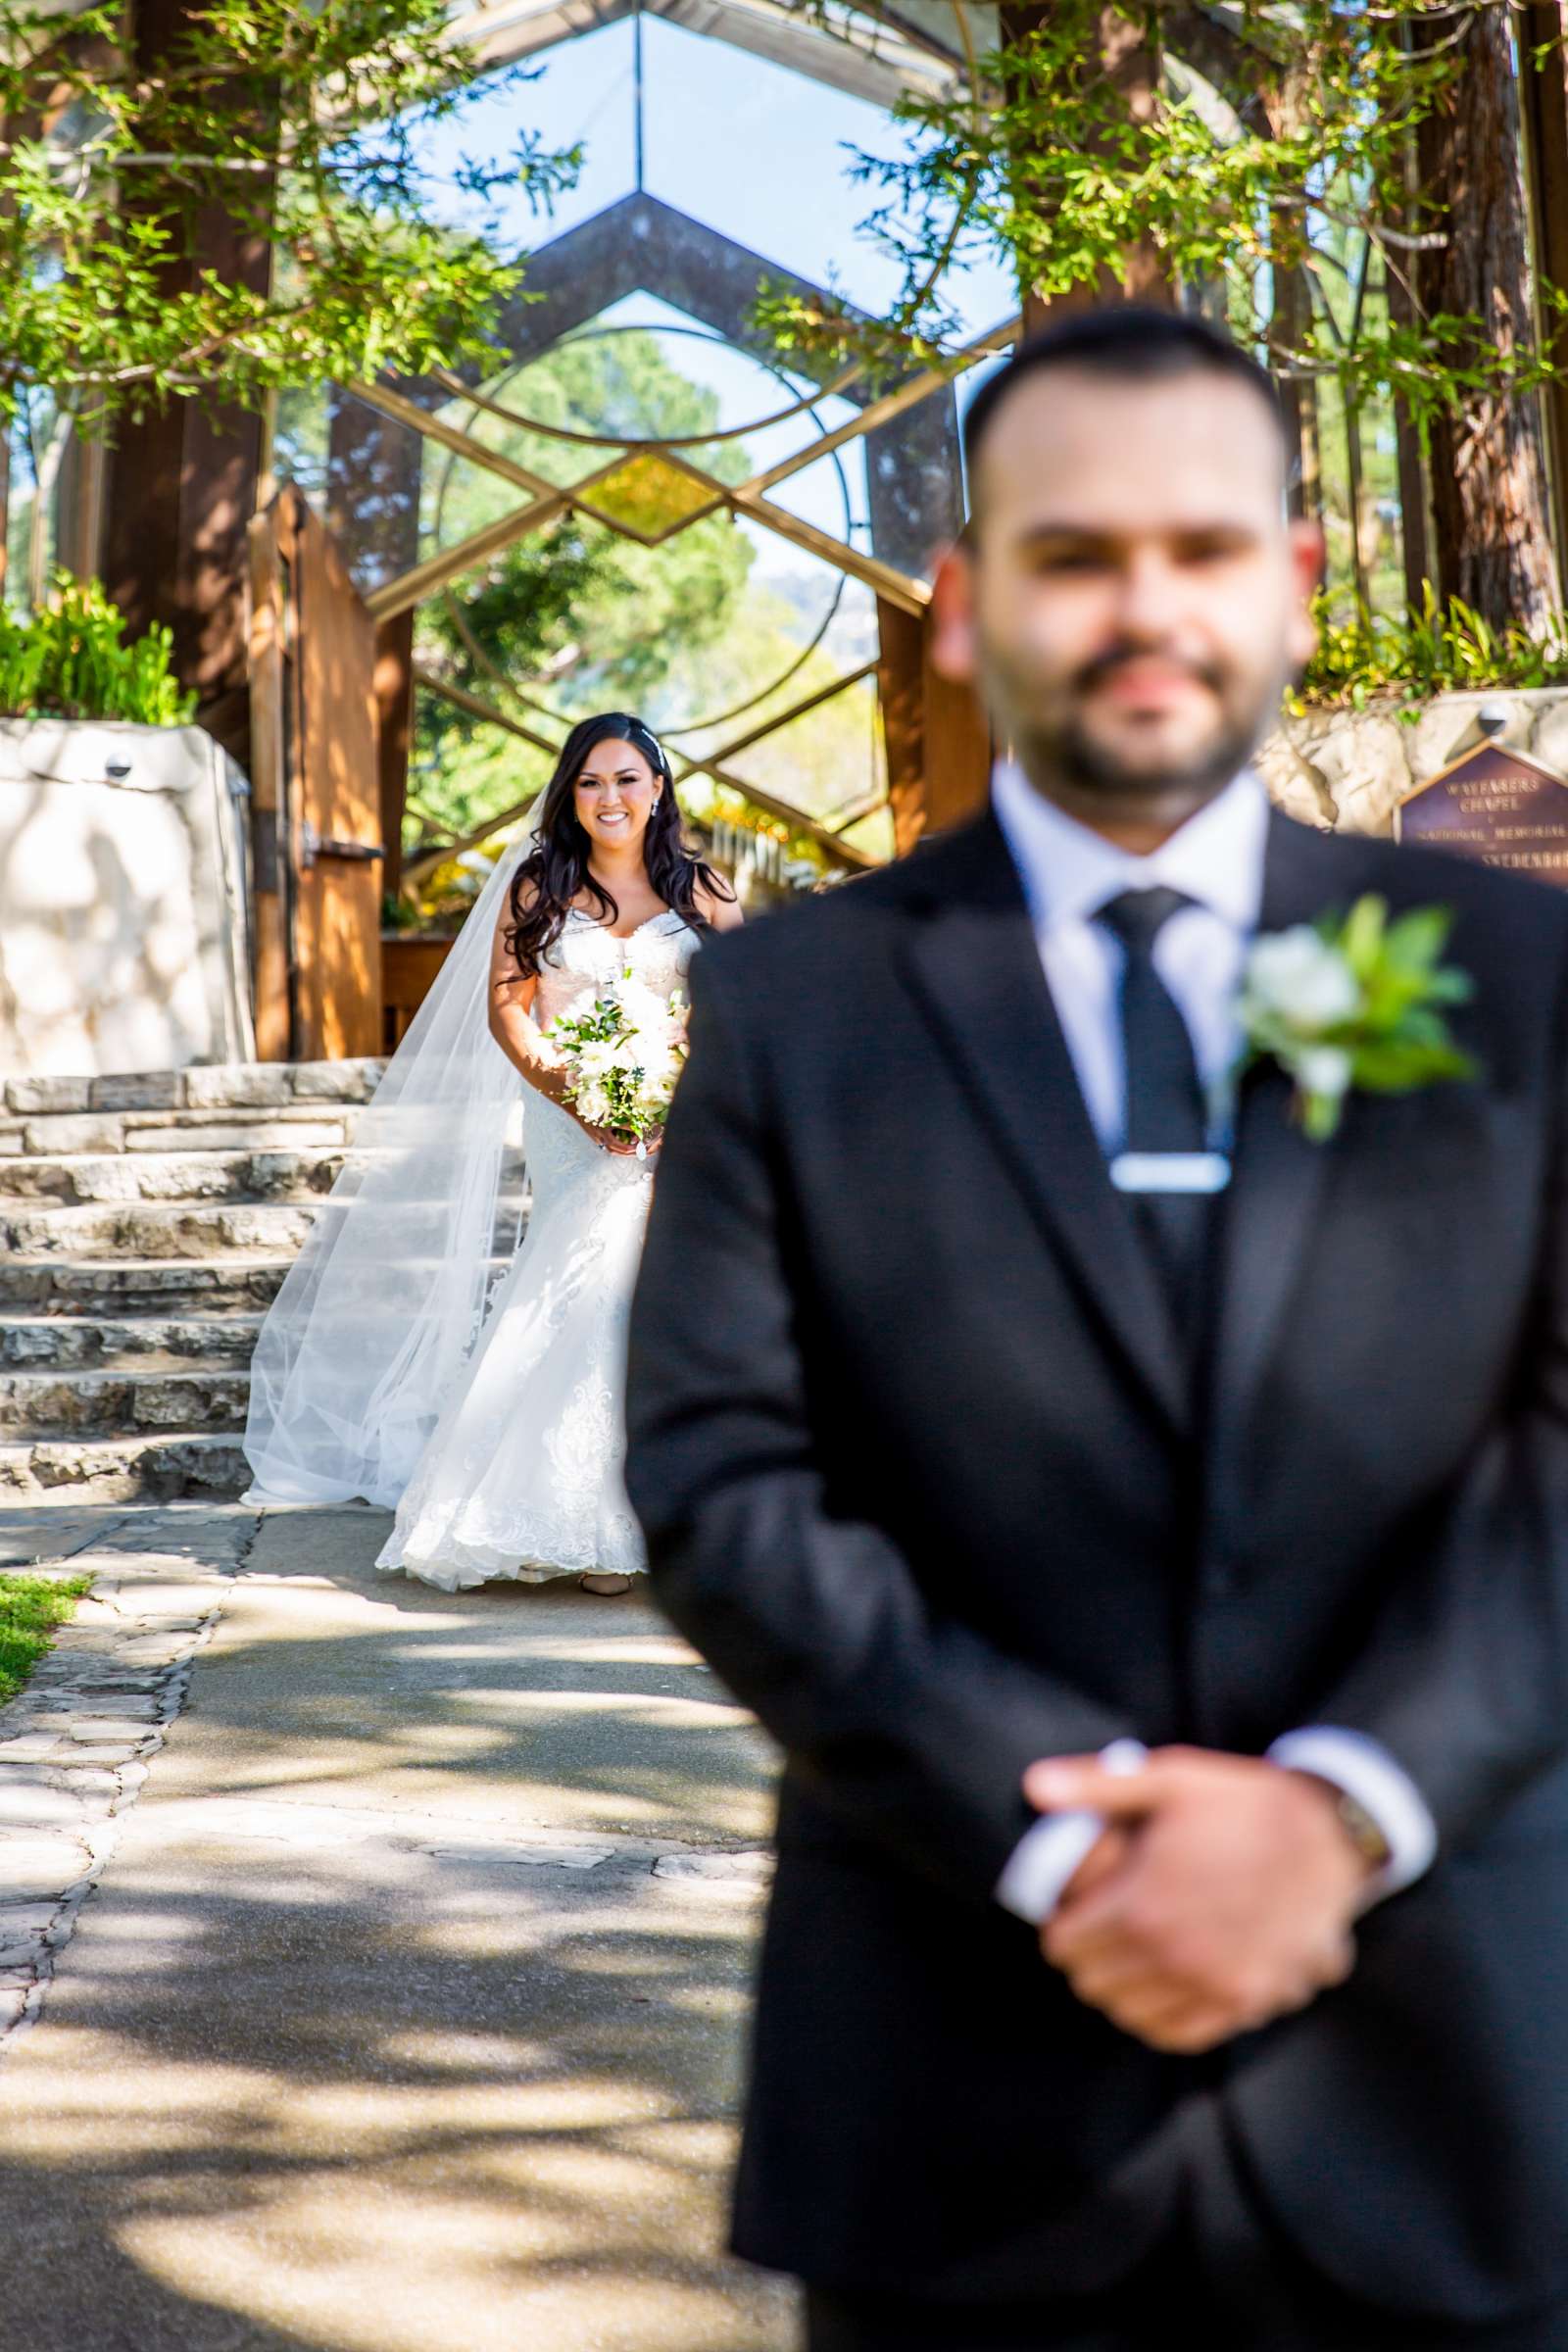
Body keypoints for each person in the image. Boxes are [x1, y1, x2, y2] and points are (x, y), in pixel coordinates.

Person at [622, 307, 1568, 2350]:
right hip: (954, 2090)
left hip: (1458, 2078)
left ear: (1293, 587)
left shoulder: (1524, 973)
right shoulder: (793, 1013)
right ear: (960, 605)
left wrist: (1337, 1809)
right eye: (1069, 556)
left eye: (1199, 548)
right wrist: (1063, 1841)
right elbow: (720, 1482)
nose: (1140, 607)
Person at [242, 711, 738, 1595]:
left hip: (683, 1118)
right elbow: (509, 1006)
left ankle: (650, 1511)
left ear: (658, 789)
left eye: (627, 779)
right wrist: (578, 1090)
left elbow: (739, 1003)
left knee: (645, 1287)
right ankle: (577, 1514)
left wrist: (682, 1091)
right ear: (570, 794)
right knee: (583, 1280)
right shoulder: (537, 885)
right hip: (567, 1111)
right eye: (590, 782)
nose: (609, 798)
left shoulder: (703, 891)